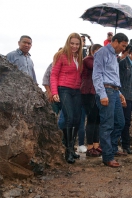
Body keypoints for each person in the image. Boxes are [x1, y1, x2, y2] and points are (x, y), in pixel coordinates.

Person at [93, 33, 128, 168]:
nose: (123, 49)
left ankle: (112, 149)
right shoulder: (102, 53)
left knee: (120, 122)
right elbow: (97, 75)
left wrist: (119, 93)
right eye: (122, 46)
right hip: (106, 91)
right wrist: (102, 94)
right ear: (115, 42)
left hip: (114, 91)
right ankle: (107, 156)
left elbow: (113, 76)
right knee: (107, 125)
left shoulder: (114, 56)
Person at [50, 33, 83, 164]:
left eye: (77, 44)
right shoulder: (61, 55)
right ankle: (68, 150)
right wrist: (54, 92)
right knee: (68, 117)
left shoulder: (79, 57)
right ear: (68, 42)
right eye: (72, 43)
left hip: (76, 90)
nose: (74, 46)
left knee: (77, 119)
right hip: (64, 89)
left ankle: (72, 148)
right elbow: (53, 74)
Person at [81, 44, 103, 157]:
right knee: (91, 119)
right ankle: (90, 146)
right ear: (92, 51)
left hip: (97, 92)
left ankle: (96, 145)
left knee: (97, 120)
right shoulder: (88, 60)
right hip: (88, 92)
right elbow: (95, 67)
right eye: (98, 51)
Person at [42, 47, 63, 114]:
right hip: (53, 95)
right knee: (54, 114)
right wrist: (49, 93)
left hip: (65, 94)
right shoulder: (52, 65)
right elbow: (45, 79)